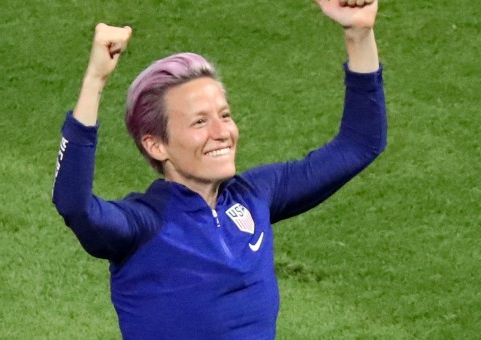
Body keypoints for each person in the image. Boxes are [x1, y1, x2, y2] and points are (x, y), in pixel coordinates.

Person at [52, 0, 386, 338]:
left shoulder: (255, 196)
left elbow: (359, 143)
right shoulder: (143, 226)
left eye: (224, 115)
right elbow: (75, 205)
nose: (221, 132)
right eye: (199, 121)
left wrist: (358, 34)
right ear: (156, 145)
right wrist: (95, 81)